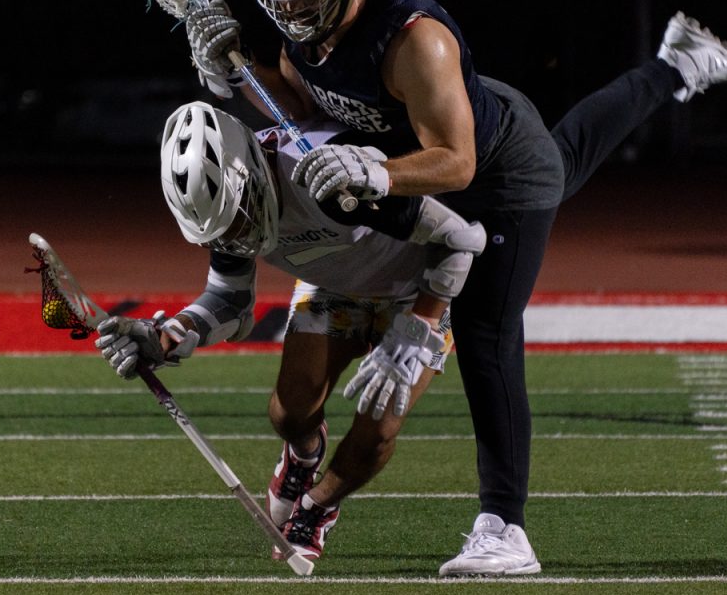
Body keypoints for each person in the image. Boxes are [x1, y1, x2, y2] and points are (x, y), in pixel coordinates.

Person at [182, 0, 727, 576]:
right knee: (571, 154)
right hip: (451, 142)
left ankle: (506, 529)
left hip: (497, 178)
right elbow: (301, 110)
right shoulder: (304, 31)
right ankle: (678, 64)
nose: (292, 15)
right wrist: (228, 79)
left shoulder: (415, 40)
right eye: (279, 3)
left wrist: (382, 174)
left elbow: (457, 163)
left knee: (487, 333)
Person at [94, 100, 488, 562]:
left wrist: (419, 322)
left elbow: (463, 238)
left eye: (237, 220)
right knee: (288, 414)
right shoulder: (229, 205)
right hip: (333, 284)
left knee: (378, 430)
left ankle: (317, 506)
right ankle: (302, 455)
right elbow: (229, 301)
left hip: (417, 290)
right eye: (223, 231)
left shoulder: (324, 177)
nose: (237, 238)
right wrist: (168, 334)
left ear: (250, 176)